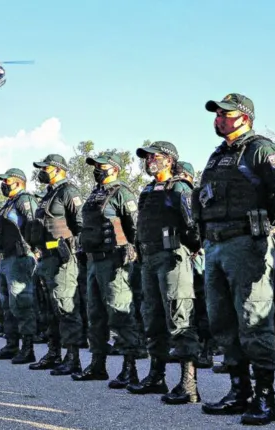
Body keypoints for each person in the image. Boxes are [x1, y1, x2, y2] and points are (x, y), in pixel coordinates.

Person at [194, 95, 275, 425]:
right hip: (215, 247)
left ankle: (266, 399)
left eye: (226, 114)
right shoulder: (218, 156)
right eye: (217, 115)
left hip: (246, 246)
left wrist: (264, 226)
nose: (219, 119)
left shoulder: (259, 149)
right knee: (223, 321)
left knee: (253, 319)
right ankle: (239, 392)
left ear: (245, 118)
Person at [129, 142, 202, 404]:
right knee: (153, 318)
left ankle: (188, 383)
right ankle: (156, 376)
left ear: (169, 160)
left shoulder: (179, 187)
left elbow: (193, 225)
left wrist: (189, 248)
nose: (149, 161)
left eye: (154, 156)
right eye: (147, 157)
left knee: (179, 317)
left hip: (172, 259)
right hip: (149, 259)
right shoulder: (148, 190)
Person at [72, 153, 142, 387]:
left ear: (114, 169)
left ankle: (129, 367)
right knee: (95, 315)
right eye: (95, 167)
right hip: (93, 261)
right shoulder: (95, 194)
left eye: (101, 166)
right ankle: (97, 364)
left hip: (113, 261)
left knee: (119, 312)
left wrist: (132, 250)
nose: (97, 170)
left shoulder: (121, 192)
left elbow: (135, 226)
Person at [29, 155, 85, 375]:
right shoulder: (48, 195)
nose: (42, 171)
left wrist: (72, 248)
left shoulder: (68, 192)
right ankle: (54, 353)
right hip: (46, 256)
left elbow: (80, 224)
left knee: (65, 306)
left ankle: (73, 357)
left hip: (62, 258)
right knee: (48, 308)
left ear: (59, 170)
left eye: (46, 168)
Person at [0, 168, 39, 364]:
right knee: (7, 304)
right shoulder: (8, 204)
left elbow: (34, 225)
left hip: (20, 258)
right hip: (6, 259)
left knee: (21, 303)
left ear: (18, 182)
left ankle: (27, 348)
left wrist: (33, 249)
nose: (3, 184)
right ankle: (11, 344)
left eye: (7, 180)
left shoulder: (24, 200)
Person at [176, 161, 215, 369]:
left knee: (203, 303)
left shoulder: (196, 194)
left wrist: (198, 245)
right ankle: (190, 346)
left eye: (183, 175)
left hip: (200, 255)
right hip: (183, 256)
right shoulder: (175, 194)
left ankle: (207, 349)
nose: (179, 177)